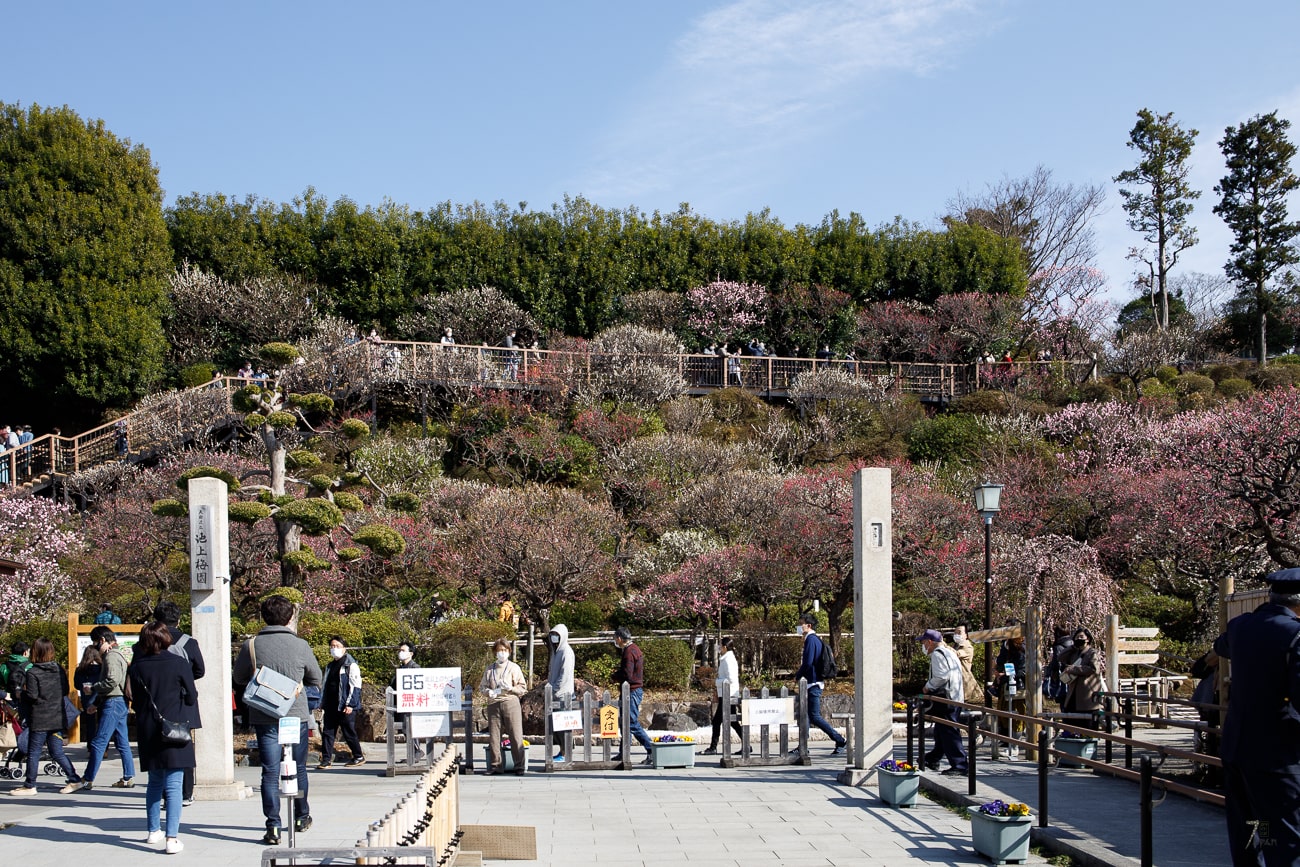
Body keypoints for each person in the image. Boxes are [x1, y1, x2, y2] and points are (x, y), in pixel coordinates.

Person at [1214, 567, 1300, 866]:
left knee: (1252, 832)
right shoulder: (1295, 634)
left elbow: (1219, 646)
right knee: (1286, 839)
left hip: (1239, 749)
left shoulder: (1240, 626)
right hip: (1279, 756)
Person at [233, 594, 323, 846]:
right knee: (299, 767)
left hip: (264, 714)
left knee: (270, 771)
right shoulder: (301, 645)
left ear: (263, 617)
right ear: (289, 617)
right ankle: (301, 816)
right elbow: (316, 677)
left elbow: (239, 678)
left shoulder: (251, 645)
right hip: (294, 713)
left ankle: (272, 826)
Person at [128, 621, 200, 854]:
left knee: (154, 782)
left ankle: (152, 831)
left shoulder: (137, 667)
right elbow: (191, 696)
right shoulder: (178, 663)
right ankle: (172, 838)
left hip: (148, 728)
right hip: (174, 728)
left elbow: (135, 700)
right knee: (174, 784)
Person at [134, 601, 206, 804]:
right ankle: (186, 793)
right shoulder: (188, 642)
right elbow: (200, 670)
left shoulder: (143, 645)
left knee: (158, 752)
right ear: (179, 619)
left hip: (152, 706)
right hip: (181, 704)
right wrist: (182, 680)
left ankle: (165, 796)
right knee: (183, 746)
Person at [8, 638, 84, 797]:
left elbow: (33, 695)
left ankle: (30, 785)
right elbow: (64, 691)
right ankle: (74, 779)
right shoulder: (58, 669)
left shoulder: (33, 672)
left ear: (35, 652)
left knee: (34, 751)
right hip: (57, 716)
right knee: (56, 751)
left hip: (40, 718)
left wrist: (20, 694)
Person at [81, 625, 137, 789]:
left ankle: (87, 778)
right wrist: (96, 703)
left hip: (112, 703)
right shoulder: (119, 654)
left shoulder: (111, 656)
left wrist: (93, 688)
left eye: (96, 643)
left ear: (103, 640)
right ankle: (128, 777)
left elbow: (112, 681)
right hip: (120, 702)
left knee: (99, 742)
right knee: (122, 742)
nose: (96, 648)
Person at [793, 613, 846, 757]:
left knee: (814, 716)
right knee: (807, 716)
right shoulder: (816, 640)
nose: (800, 626)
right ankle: (802, 745)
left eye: (801, 623)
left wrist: (798, 675)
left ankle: (840, 740)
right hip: (814, 682)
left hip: (813, 682)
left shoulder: (811, 640)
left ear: (808, 625)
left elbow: (808, 662)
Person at [919, 628, 967, 776]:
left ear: (930, 642)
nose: (923, 646)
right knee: (941, 731)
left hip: (947, 699)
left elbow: (941, 676)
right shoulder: (950, 652)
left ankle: (960, 764)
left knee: (949, 732)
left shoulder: (937, 654)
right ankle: (933, 758)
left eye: (924, 642)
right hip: (956, 697)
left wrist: (928, 687)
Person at [479, 639, 527, 775]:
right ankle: (495, 766)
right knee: (494, 737)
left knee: (515, 735)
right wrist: (488, 692)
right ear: (495, 652)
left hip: (510, 702)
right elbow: (482, 687)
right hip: (494, 703)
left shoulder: (514, 668)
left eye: (505, 651)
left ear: (509, 652)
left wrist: (511, 688)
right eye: (500, 650)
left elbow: (522, 687)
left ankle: (519, 766)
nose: (502, 653)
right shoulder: (490, 669)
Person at [318, 637, 365, 769]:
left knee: (348, 732)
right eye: (332, 646)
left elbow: (355, 686)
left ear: (344, 648)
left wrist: (350, 704)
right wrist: (322, 701)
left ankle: (358, 756)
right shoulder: (329, 666)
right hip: (331, 705)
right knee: (328, 732)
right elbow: (325, 685)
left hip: (345, 705)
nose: (334, 649)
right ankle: (326, 759)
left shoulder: (350, 665)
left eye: (337, 646)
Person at [612, 627, 653, 764]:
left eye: (615, 638)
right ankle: (624, 752)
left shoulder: (629, 652)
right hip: (633, 689)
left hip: (631, 690)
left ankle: (651, 749)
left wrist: (615, 676)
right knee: (626, 722)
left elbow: (627, 674)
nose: (615, 641)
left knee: (630, 723)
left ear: (619, 638)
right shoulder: (635, 648)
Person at [701, 636, 744, 756]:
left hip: (728, 695)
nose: (719, 647)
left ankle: (713, 747)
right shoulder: (726, 658)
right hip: (725, 694)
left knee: (718, 721)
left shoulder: (728, 660)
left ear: (725, 647)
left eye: (720, 645)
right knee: (731, 721)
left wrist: (717, 682)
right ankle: (746, 745)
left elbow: (730, 679)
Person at [1061, 627, 1105, 730]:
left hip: (1087, 694)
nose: (1079, 639)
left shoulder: (1092, 653)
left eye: (1081, 637)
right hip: (1073, 693)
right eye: (1077, 637)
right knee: (1071, 723)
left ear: (1088, 639)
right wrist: (1072, 647)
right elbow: (1060, 657)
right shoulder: (1075, 653)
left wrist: (1075, 669)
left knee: (1087, 726)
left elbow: (1093, 668)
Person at [547, 624, 574, 762]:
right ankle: (562, 751)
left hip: (563, 694)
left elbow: (564, 675)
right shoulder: (556, 651)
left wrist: (554, 688)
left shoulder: (566, 652)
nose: (554, 637)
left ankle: (565, 753)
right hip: (555, 694)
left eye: (557, 635)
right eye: (552, 634)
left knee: (563, 727)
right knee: (557, 726)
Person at [74, 644, 103, 745]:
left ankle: (91, 746)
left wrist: (84, 686)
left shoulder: (80, 669)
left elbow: (76, 685)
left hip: (86, 698)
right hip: (101, 698)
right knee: (102, 723)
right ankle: (103, 748)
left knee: (90, 724)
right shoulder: (102, 668)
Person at [950, 626, 982, 705]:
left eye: (959, 632)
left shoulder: (967, 647)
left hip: (966, 685)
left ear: (966, 635)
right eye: (955, 632)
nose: (956, 634)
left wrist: (942, 644)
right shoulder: (955, 646)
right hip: (956, 683)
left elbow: (956, 654)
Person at [1, 641, 31, 711]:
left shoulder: (4, 666)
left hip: (9, 700)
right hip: (25, 701)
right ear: (25, 652)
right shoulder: (30, 666)